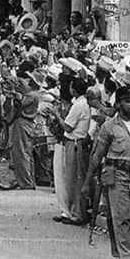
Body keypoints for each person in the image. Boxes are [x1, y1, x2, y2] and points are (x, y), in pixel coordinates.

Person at [82, 85, 130, 259]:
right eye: (127, 101)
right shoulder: (109, 127)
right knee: (122, 217)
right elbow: (97, 156)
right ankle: (129, 255)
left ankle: (129, 250)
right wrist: (87, 182)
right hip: (117, 176)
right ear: (118, 104)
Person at [49, 77, 92, 225]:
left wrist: (57, 115)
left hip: (74, 142)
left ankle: (76, 213)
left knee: (74, 179)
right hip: (75, 142)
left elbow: (67, 127)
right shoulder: (81, 103)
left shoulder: (78, 105)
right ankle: (73, 211)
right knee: (72, 178)